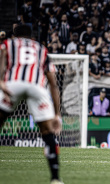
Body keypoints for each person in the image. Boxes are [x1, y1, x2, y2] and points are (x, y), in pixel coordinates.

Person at [0, 25, 63, 184]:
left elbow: (1, 64)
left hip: (13, 84)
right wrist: (57, 114)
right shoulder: (41, 49)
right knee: (47, 132)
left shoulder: (8, 44)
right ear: (32, 37)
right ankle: (55, 178)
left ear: (14, 36)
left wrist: (1, 83)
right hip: (37, 87)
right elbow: (53, 84)